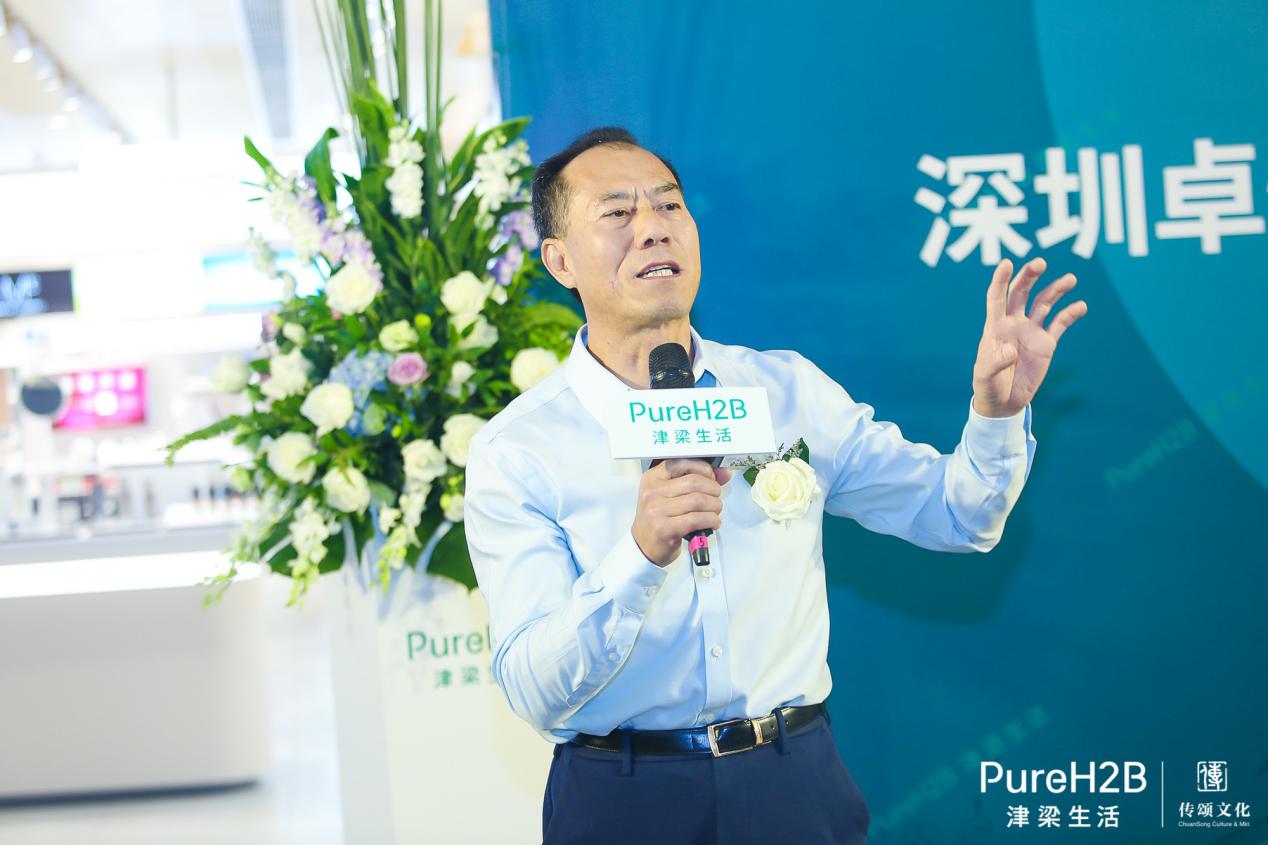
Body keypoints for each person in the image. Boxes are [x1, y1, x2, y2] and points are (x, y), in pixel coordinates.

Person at [463, 127, 1087, 844]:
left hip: (794, 781)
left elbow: (959, 515)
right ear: (560, 260)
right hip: (625, 796)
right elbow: (535, 692)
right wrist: (640, 553)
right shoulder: (519, 449)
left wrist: (995, 416)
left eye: (668, 205)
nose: (653, 228)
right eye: (618, 213)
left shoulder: (786, 391)